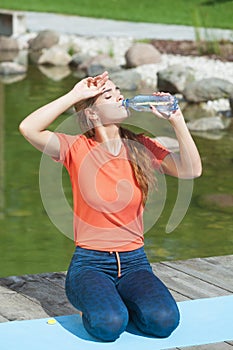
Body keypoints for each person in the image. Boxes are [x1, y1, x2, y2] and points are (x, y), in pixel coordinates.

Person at [19, 71, 202, 342]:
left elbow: (191, 170)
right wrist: (75, 94)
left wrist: (177, 121)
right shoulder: (75, 147)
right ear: (92, 114)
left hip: (134, 263)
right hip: (90, 264)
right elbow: (28, 128)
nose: (119, 95)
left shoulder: (140, 146)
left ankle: (118, 300)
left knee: (164, 322)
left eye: (117, 90)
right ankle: (102, 304)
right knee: (109, 325)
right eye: (108, 94)